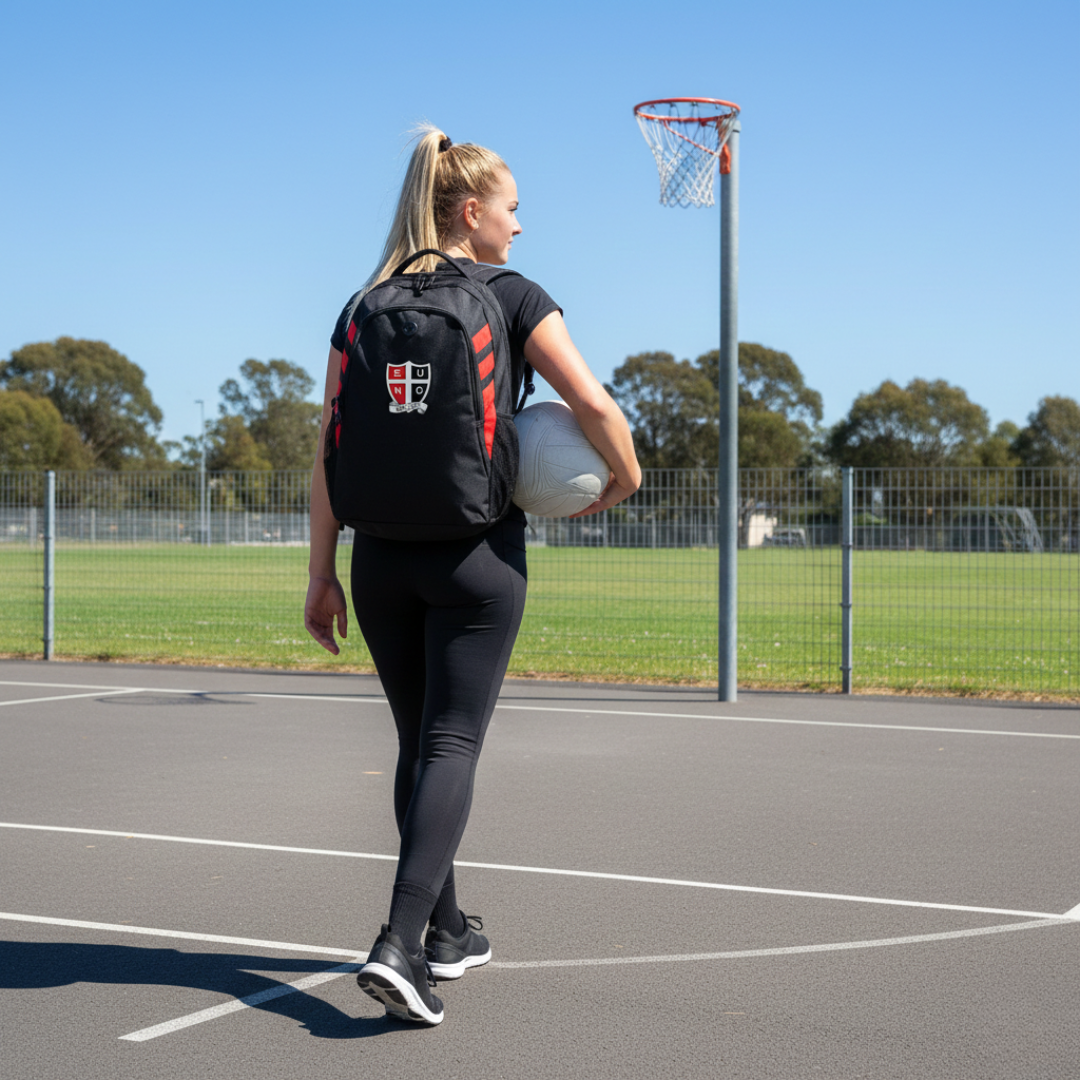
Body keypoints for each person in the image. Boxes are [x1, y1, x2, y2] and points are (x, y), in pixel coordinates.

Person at [304, 126, 641, 1025]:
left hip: (378, 559)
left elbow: (328, 446)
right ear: (470, 211)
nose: (520, 228)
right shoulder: (515, 295)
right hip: (476, 557)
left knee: (420, 745)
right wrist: (627, 475)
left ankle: (446, 933)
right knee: (450, 745)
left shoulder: (362, 304)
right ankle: (402, 941)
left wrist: (321, 572)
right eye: (513, 209)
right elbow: (593, 403)